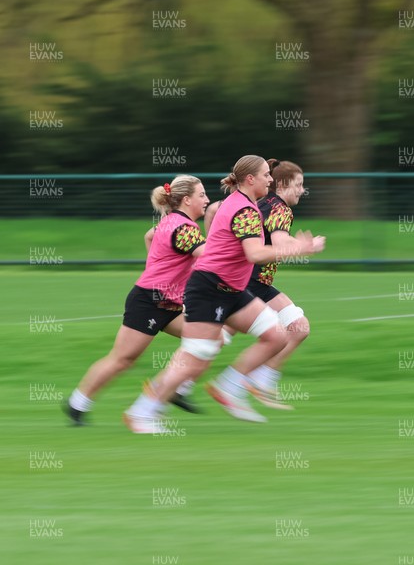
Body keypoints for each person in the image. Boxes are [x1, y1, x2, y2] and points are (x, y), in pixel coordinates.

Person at [124, 155, 325, 433]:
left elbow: (214, 213)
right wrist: (299, 248)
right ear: (250, 179)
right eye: (266, 175)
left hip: (231, 289)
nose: (271, 180)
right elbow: (254, 254)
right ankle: (142, 411)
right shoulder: (245, 210)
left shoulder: (239, 203)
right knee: (195, 360)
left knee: (277, 334)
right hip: (210, 289)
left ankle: (228, 387)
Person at [64, 175, 209, 425]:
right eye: (202, 195)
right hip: (150, 301)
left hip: (168, 302)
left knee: (207, 338)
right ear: (187, 200)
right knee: (122, 359)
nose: (207, 200)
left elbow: (149, 236)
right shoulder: (185, 228)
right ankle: (77, 404)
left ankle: (174, 389)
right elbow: (208, 257)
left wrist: (158, 267)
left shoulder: (171, 221)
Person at [211, 159, 319, 411]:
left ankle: (177, 388)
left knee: (215, 337)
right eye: (299, 184)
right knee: (295, 328)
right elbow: (279, 242)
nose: (302, 190)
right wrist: (305, 246)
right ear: (282, 184)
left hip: (246, 278)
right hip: (252, 280)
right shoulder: (280, 208)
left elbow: (215, 211)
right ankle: (244, 382)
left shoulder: (260, 202)